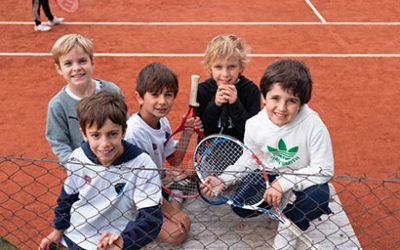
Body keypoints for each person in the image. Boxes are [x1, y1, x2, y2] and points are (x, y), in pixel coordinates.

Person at [201, 59, 334, 250]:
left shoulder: (314, 125)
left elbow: (324, 169)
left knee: (317, 198)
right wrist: (224, 179)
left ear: (302, 103)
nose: (281, 108)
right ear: (264, 96)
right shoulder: (254, 124)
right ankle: (279, 201)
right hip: (269, 176)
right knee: (240, 207)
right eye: (275, 98)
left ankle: (289, 227)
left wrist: (284, 183)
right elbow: (250, 158)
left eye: (292, 101)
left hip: (301, 176)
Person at [39, 91, 163, 250]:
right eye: (96, 135)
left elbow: (151, 220)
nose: (105, 144)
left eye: (112, 134)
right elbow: (67, 199)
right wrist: (57, 231)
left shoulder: (142, 164)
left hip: (113, 242)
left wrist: (124, 241)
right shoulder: (78, 158)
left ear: (124, 131)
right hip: (75, 237)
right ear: (84, 134)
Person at [124, 63, 202, 245]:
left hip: (153, 186)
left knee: (189, 177)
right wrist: (174, 212)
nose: (162, 101)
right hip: (135, 196)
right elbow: (139, 184)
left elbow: (174, 160)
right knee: (177, 234)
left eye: (168, 95)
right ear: (139, 97)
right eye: (155, 94)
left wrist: (187, 133)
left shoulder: (163, 121)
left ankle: (171, 194)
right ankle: (172, 197)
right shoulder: (135, 133)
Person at [46, 33, 123, 164]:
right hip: (84, 171)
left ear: (92, 63)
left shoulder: (112, 91)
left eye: (82, 61)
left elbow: (124, 124)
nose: (76, 68)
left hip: (116, 162)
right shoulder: (58, 105)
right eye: (68, 63)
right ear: (59, 68)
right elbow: (58, 141)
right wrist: (76, 166)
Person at [195, 34, 260, 141]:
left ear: (241, 67)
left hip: (242, 152)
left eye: (231, 67)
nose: (225, 74)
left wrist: (235, 103)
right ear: (209, 67)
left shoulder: (251, 91)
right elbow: (204, 131)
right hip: (211, 153)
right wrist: (215, 104)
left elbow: (251, 132)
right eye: (218, 67)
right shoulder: (202, 91)